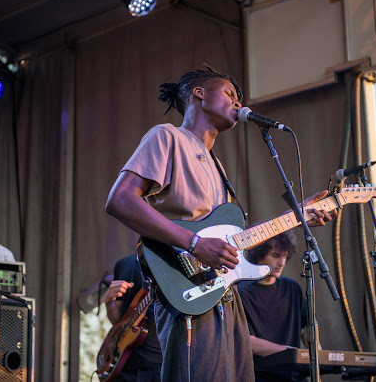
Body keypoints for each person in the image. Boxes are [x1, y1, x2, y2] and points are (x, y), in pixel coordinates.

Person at [105, 67, 335, 382]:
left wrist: (300, 215)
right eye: (230, 94)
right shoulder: (167, 136)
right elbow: (120, 200)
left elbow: (232, 240)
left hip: (224, 296)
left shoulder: (218, 166)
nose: (237, 103)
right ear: (199, 93)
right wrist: (196, 244)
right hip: (188, 295)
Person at [238, 231, 320, 382]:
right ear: (258, 255)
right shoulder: (241, 292)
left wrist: (318, 353)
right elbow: (247, 341)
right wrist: (290, 353)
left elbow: (307, 326)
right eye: (276, 256)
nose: (282, 262)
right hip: (260, 376)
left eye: (284, 256)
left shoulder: (292, 287)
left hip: (294, 375)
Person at [103, 254, 162, 382]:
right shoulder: (123, 264)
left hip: (159, 364)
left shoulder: (171, 260)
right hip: (123, 364)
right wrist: (108, 303)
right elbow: (118, 321)